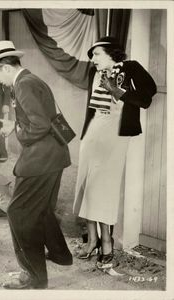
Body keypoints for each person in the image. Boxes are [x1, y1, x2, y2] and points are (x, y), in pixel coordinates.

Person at [0, 40, 72, 289]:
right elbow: (44, 120)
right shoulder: (30, 80)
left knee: (19, 212)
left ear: (5, 67)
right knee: (42, 207)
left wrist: (16, 130)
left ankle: (34, 276)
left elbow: (40, 125)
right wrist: (19, 126)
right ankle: (59, 253)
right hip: (55, 155)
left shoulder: (23, 85)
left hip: (40, 159)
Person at [73, 37, 157, 267]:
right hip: (94, 131)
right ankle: (92, 240)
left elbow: (148, 96)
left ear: (112, 53)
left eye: (97, 54)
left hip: (117, 132)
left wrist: (119, 92)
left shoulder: (131, 68)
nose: (93, 59)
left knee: (104, 189)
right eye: (92, 55)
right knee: (86, 185)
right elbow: (91, 107)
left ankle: (106, 240)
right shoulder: (94, 74)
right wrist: (84, 136)